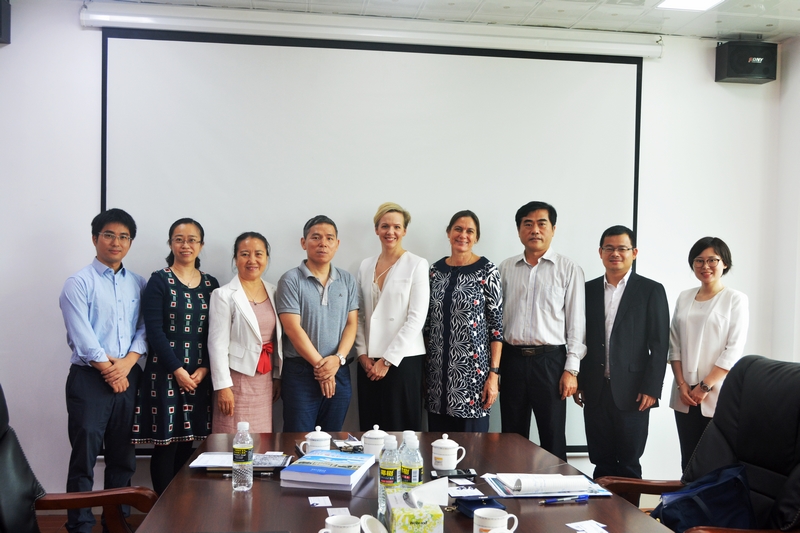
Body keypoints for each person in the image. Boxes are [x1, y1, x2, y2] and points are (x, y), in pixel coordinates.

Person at [59, 208, 146, 533]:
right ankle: (80, 525)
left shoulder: (138, 283)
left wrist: (126, 364)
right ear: (95, 238)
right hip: (89, 379)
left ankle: (116, 522)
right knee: (84, 455)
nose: (116, 242)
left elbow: (144, 329)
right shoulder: (78, 282)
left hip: (128, 376)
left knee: (123, 456)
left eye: (124, 237)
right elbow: (82, 336)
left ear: (130, 242)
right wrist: (111, 369)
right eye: (109, 235)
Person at [132, 218, 220, 494]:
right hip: (165, 373)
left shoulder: (211, 284)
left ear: (201, 245)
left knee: (189, 444)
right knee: (166, 444)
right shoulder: (159, 280)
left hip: (199, 375)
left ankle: (183, 506)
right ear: (170, 244)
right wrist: (177, 370)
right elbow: (154, 331)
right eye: (179, 239)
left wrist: (205, 368)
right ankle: (163, 508)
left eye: (192, 240)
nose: (185, 245)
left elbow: (216, 332)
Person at [575, 225, 669, 479]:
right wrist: (580, 380)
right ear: (600, 252)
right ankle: (600, 505)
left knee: (629, 462)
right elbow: (579, 337)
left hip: (634, 391)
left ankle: (628, 508)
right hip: (596, 390)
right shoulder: (587, 290)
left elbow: (660, 344)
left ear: (634, 252)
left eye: (622, 248)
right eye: (609, 248)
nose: (615, 253)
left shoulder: (651, 290)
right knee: (601, 460)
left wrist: (652, 388)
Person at [498, 201, 586, 461]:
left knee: (552, 435)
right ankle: (510, 483)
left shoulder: (569, 269)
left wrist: (571, 370)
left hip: (551, 362)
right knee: (511, 435)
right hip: (512, 360)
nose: (534, 230)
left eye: (541, 224)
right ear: (519, 230)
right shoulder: (505, 269)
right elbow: (496, 321)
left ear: (553, 229)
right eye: (528, 224)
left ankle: (556, 486)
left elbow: (576, 324)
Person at [669, 236, 749, 471]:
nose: (705, 266)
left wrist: (704, 386)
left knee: (715, 463)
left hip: (717, 393)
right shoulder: (684, 296)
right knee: (688, 461)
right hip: (684, 393)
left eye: (712, 260)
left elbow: (733, 349)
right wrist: (681, 384)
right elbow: (674, 344)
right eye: (699, 260)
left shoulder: (735, 299)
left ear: (724, 263)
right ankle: (688, 497)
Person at [276, 215, 359, 432]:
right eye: (316, 237)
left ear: (337, 244)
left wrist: (337, 359)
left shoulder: (347, 280)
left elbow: (352, 324)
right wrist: (322, 368)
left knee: (332, 438)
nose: (323, 243)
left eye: (329, 238)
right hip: (301, 373)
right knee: (299, 438)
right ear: (303, 242)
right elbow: (292, 328)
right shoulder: (290, 280)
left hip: (338, 369)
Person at [425, 210, 503, 433]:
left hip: (473, 378)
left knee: (472, 447)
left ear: (476, 237)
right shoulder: (434, 271)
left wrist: (493, 375)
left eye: (470, 231)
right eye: (458, 229)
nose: (463, 235)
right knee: (437, 446)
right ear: (448, 233)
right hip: (437, 378)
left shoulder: (487, 271)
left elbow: (496, 328)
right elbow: (427, 324)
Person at [355, 202, 430, 431]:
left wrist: (387, 360)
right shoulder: (365, 265)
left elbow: (416, 318)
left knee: (401, 430)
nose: (391, 231)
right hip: (368, 363)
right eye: (385, 226)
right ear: (376, 229)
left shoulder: (417, 264)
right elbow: (358, 314)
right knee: (371, 429)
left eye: (397, 227)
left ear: (404, 230)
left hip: (403, 360)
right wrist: (362, 355)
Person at [208, 232, 283, 433]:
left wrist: (277, 376)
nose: (252, 260)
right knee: (232, 438)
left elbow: (278, 340)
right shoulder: (223, 294)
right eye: (244, 254)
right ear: (235, 259)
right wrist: (223, 387)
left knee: (262, 439)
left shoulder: (275, 291)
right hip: (236, 381)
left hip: (265, 380)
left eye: (258, 254)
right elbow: (217, 344)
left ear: (266, 258)